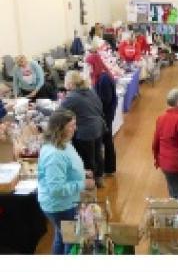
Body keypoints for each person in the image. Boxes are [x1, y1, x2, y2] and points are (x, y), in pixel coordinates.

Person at [37, 109, 94, 255]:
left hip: (65, 203)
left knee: (62, 235)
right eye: (71, 125)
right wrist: (83, 184)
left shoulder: (63, 142)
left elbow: (67, 166)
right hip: (60, 206)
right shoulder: (54, 154)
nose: (75, 128)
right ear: (60, 128)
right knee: (71, 239)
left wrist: (82, 172)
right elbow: (56, 189)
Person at [59, 71, 105, 186]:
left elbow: (59, 112)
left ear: (70, 83)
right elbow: (100, 106)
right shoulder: (90, 91)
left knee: (87, 158)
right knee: (97, 153)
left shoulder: (72, 97)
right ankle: (99, 177)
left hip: (85, 131)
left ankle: (90, 182)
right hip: (98, 127)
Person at [152, 88, 178, 205]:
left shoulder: (161, 118)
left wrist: (158, 159)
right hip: (177, 165)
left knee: (173, 192)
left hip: (165, 163)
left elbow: (155, 142)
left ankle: (172, 215)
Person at [92, 60, 118, 177]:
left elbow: (105, 100)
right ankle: (108, 168)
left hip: (105, 115)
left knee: (106, 141)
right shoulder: (102, 76)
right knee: (107, 141)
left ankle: (108, 168)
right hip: (106, 114)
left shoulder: (103, 79)